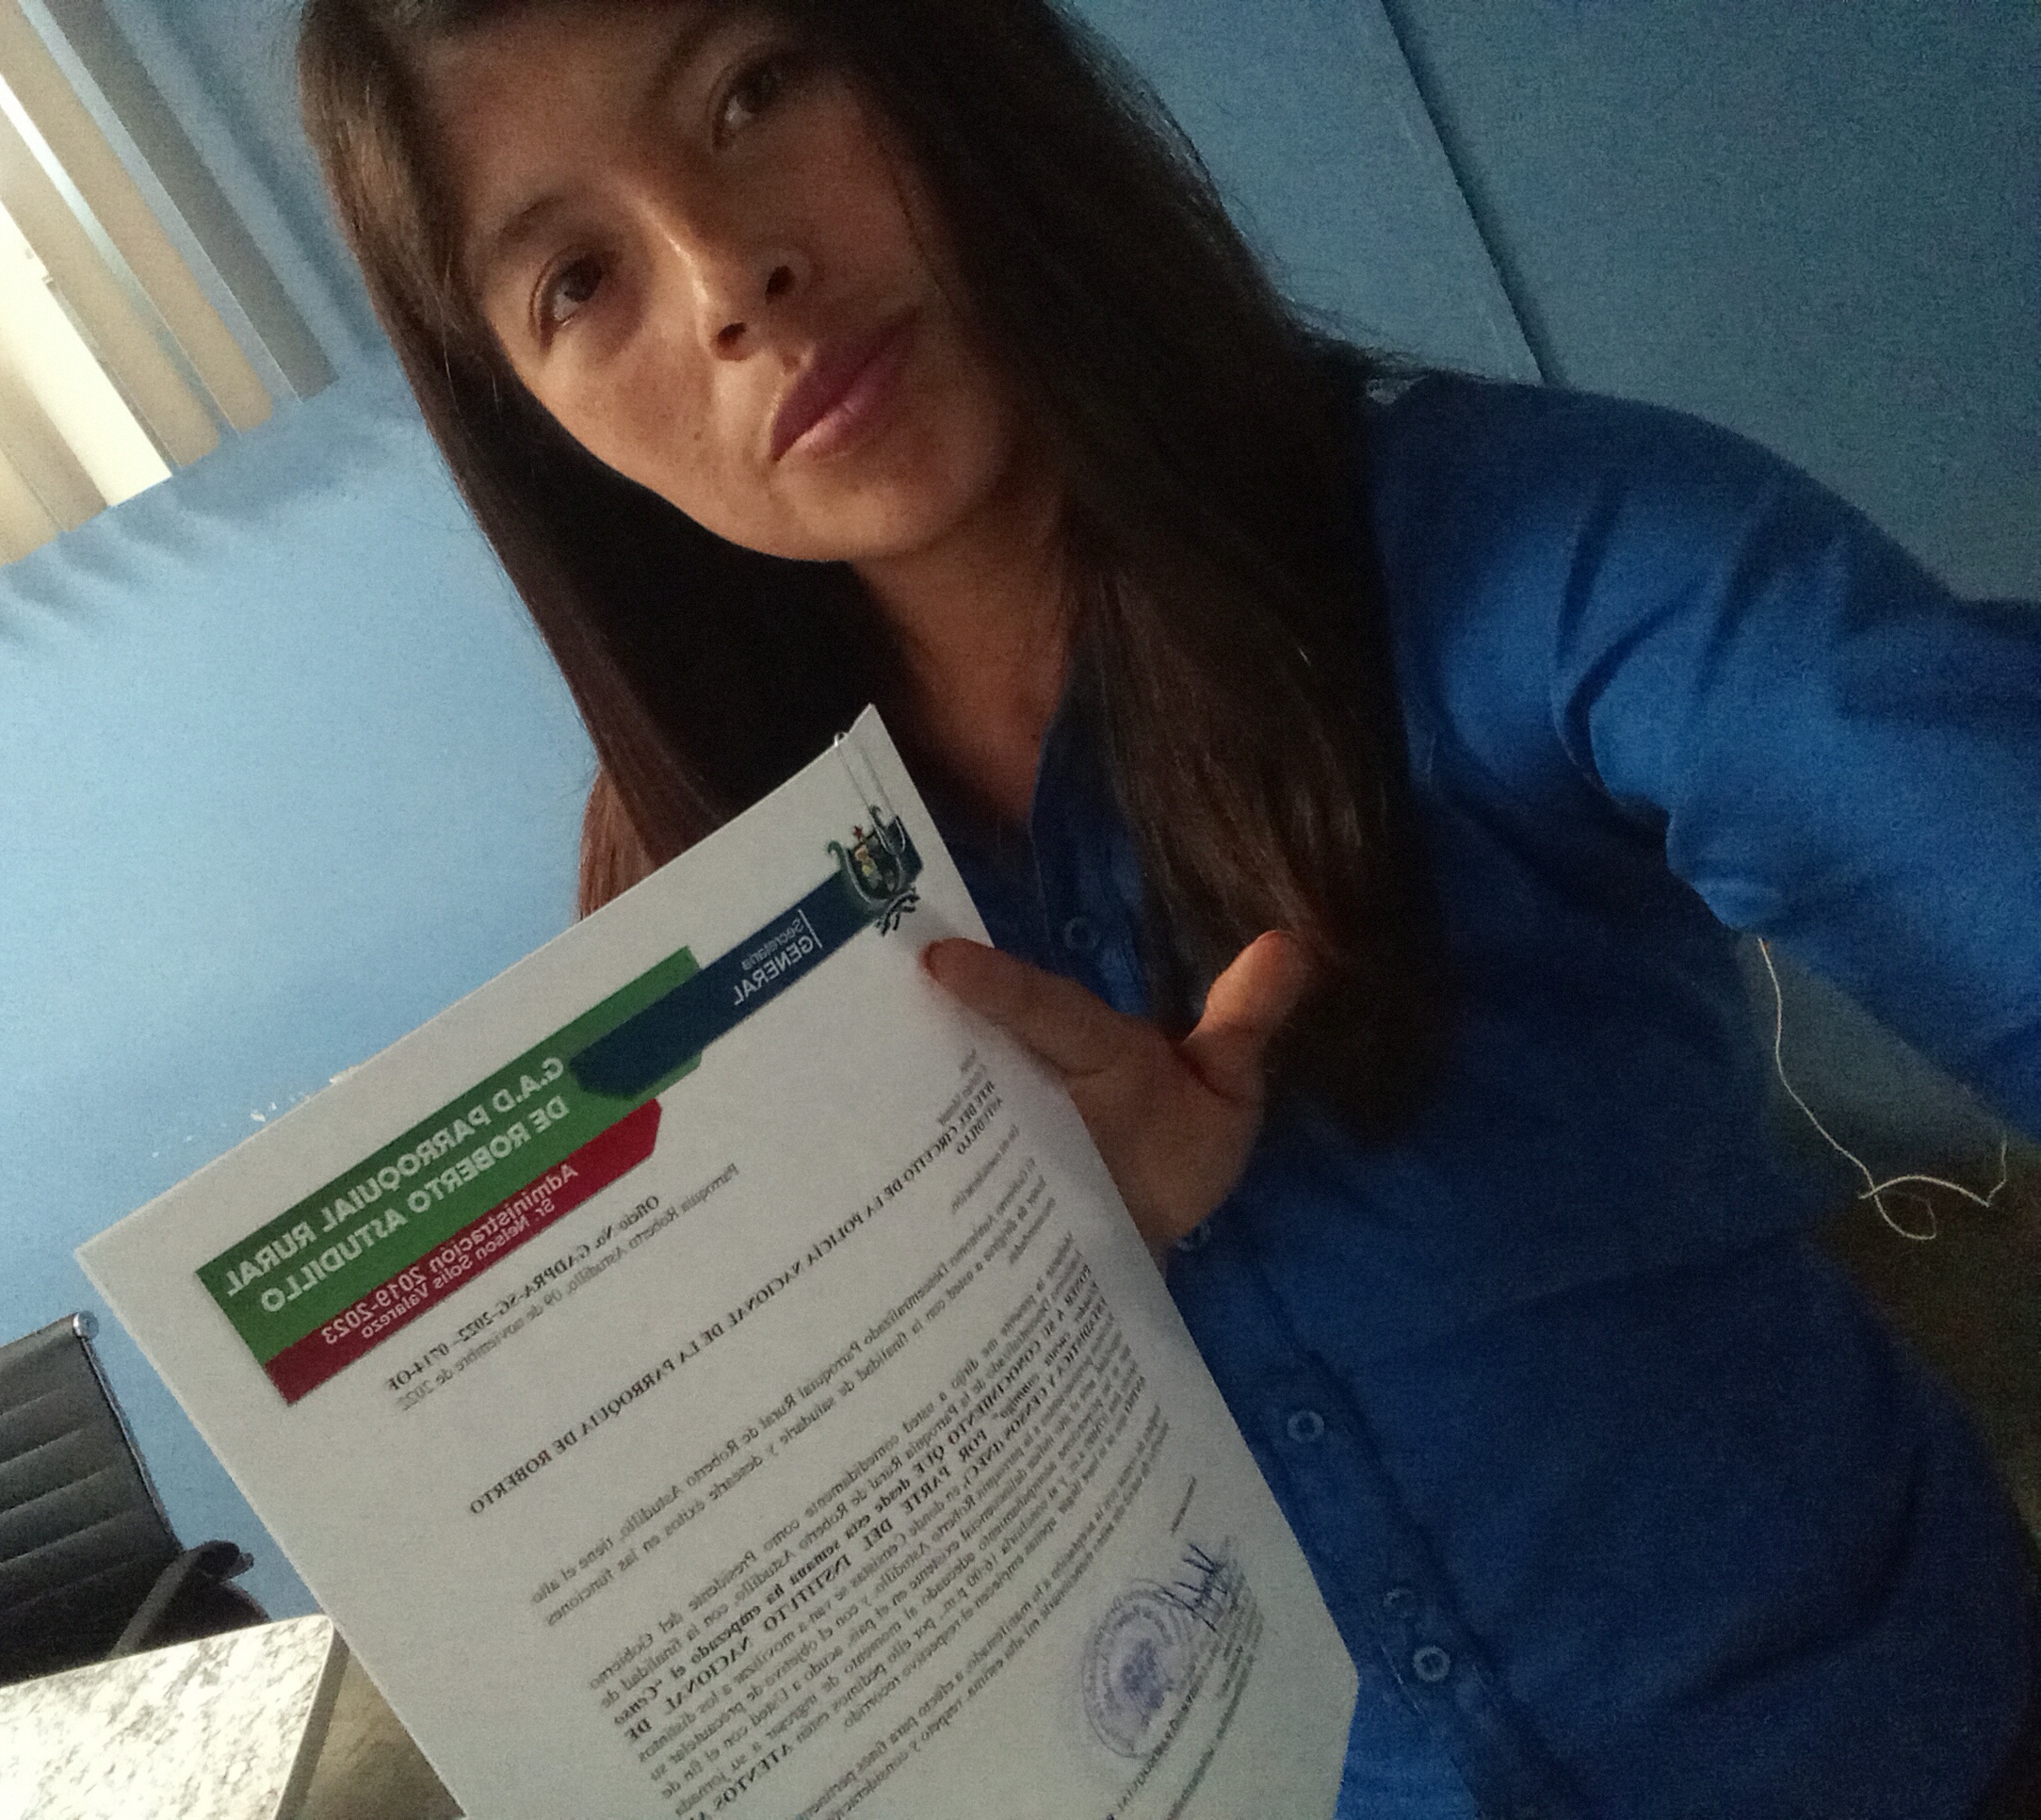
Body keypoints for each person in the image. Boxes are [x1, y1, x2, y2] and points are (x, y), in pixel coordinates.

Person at [295, 1, 2041, 1812]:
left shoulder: (1542, 554)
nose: (729, 277)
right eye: (577, 280)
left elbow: (1914, 793)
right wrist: (1022, 1273)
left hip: (1880, 1735)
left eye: (754, 91)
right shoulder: (689, 872)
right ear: (535, 421)